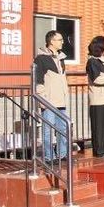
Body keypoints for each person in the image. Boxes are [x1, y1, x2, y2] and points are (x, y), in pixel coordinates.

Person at [34, 30, 70, 162]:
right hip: (48, 100)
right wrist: (42, 98)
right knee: (48, 129)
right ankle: (49, 156)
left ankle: (62, 153)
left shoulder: (61, 58)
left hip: (60, 99)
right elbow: (38, 80)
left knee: (63, 127)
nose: (62, 42)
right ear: (51, 41)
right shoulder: (41, 59)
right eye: (59, 40)